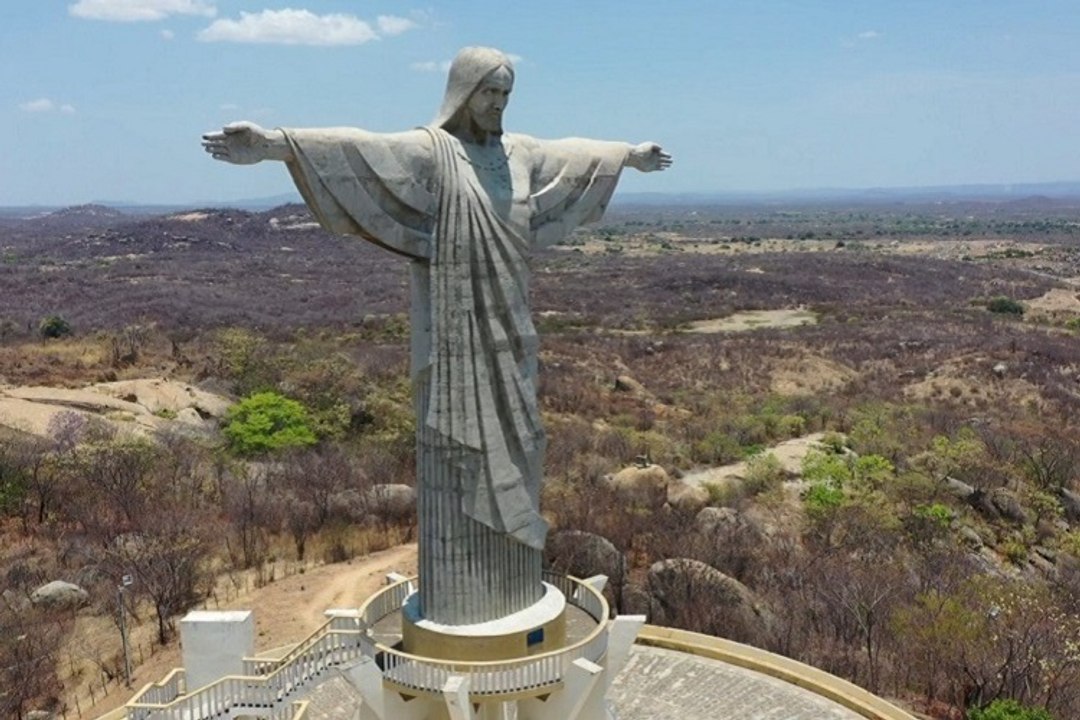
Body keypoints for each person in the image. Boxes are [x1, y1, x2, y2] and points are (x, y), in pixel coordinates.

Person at [203, 46, 671, 625]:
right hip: (453, 347)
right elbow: (361, 147)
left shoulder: (518, 152)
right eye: (488, 93)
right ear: (462, 94)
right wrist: (275, 144)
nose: (498, 104)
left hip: (510, 336)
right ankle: (463, 611)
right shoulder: (432, 152)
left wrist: (628, 155)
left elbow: (572, 153)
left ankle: (512, 587)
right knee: (454, 454)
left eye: (505, 95)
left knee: (525, 439)